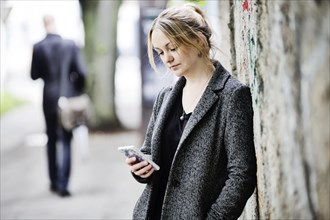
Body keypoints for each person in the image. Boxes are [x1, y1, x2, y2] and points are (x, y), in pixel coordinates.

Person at [125, 3, 257, 219]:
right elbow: (150, 152)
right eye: (160, 52)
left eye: (172, 48)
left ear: (197, 39)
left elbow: (242, 174)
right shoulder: (165, 97)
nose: (166, 58)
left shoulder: (232, 95)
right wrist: (140, 168)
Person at [30, 15, 86, 197]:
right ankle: (64, 184)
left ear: (44, 25)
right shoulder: (70, 45)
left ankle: (53, 181)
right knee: (67, 138)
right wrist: (76, 89)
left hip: (48, 98)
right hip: (68, 97)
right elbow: (81, 72)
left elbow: (34, 75)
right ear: (55, 24)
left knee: (51, 139)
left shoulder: (38, 47)